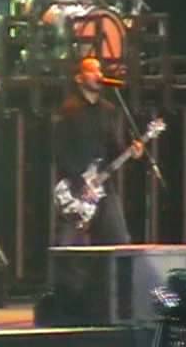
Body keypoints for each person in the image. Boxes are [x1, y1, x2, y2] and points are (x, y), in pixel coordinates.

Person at [52, 56, 143, 245]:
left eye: (99, 70)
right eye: (92, 70)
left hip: (103, 184)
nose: (98, 74)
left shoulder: (108, 110)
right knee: (68, 247)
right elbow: (59, 150)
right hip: (75, 188)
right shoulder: (68, 110)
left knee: (119, 240)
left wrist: (132, 152)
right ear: (79, 78)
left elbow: (113, 148)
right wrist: (79, 182)